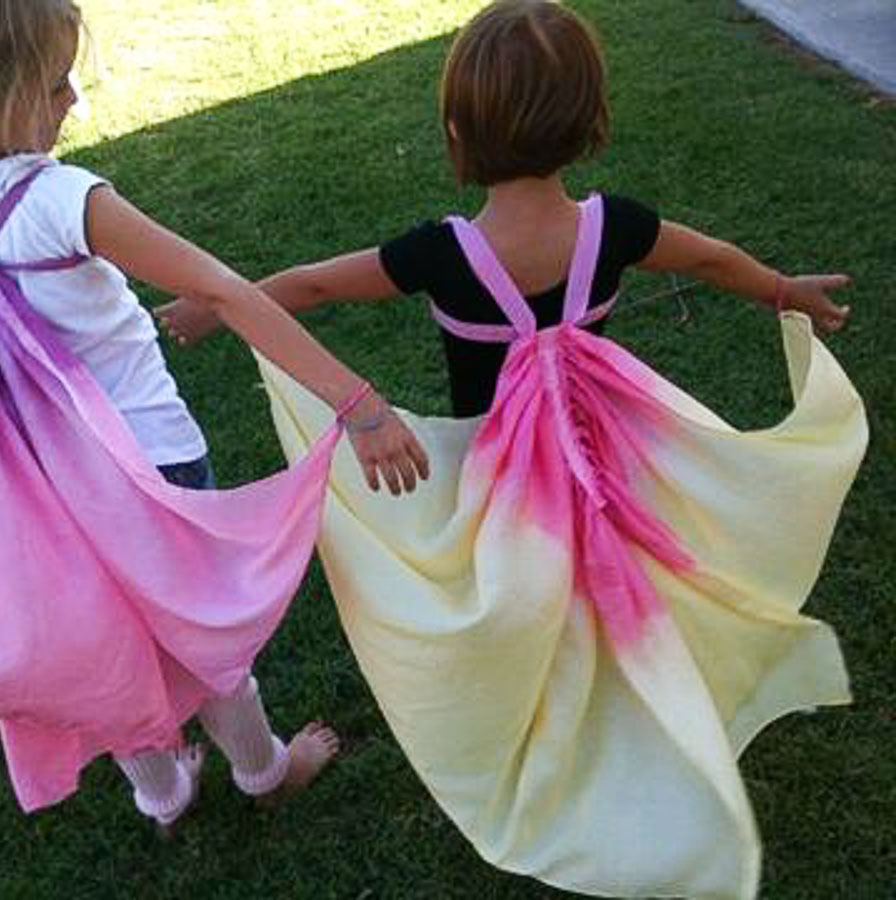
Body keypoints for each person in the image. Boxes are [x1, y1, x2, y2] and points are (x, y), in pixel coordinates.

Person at [159, 1, 866, 896]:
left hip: (510, 490)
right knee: (619, 591)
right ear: (592, 122)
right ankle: (639, 701)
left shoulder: (442, 254)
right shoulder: (615, 228)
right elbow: (713, 259)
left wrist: (216, 303)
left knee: (531, 604)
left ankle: (554, 726)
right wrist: (783, 291)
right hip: (617, 468)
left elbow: (308, 285)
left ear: (457, 132)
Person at [0, 0, 430, 833]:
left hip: (23, 494)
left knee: (93, 644)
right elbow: (224, 288)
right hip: (147, 473)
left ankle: (163, 792)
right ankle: (264, 770)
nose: (70, 98)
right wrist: (358, 404)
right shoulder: (59, 197)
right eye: (51, 83)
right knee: (199, 631)